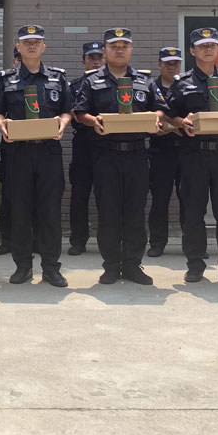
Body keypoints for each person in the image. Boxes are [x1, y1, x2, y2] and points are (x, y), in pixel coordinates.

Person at [73, 27, 168, 286]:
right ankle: (112, 266)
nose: (119, 50)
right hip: (105, 155)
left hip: (137, 154)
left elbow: (161, 109)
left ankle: (133, 265)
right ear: (105, 51)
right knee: (108, 212)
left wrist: (155, 119)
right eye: (114, 46)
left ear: (131, 50)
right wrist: (93, 121)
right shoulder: (92, 81)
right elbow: (80, 112)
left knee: (135, 211)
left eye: (124, 46)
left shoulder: (145, 80)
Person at [165, 28, 218, 285]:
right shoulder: (182, 81)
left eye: (212, 45)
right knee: (193, 212)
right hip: (195, 154)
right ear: (192, 50)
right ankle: (195, 265)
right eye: (202, 46)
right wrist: (181, 122)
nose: (208, 49)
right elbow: (169, 113)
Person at [0, 24, 72, 287]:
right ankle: (23, 267)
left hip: (48, 152)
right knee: (20, 212)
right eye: (27, 42)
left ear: (44, 47)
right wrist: (1, 125)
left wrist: (62, 123)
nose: (32, 45)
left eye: (37, 42)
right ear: (19, 47)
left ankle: (51, 268)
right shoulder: (7, 79)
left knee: (50, 212)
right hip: (18, 153)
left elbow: (67, 110)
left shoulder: (58, 78)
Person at [146, 46, 185, 257]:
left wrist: (176, 125)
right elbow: (145, 116)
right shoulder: (150, 86)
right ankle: (157, 243)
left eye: (176, 63)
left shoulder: (187, 85)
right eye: (168, 64)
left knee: (189, 199)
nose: (172, 67)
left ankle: (192, 242)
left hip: (186, 150)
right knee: (160, 199)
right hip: (160, 150)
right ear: (159, 65)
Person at [67, 41, 104, 256]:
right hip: (83, 144)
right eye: (91, 58)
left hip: (106, 145)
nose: (96, 62)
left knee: (106, 195)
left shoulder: (114, 84)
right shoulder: (75, 86)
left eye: (99, 58)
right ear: (84, 61)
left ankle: (106, 240)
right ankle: (78, 240)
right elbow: (71, 113)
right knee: (79, 194)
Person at [0, 46, 23, 255]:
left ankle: (36, 240)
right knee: (10, 196)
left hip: (41, 148)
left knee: (38, 198)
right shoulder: (6, 81)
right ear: (14, 61)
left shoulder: (48, 80)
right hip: (12, 147)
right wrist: (2, 124)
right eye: (18, 58)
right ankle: (7, 240)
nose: (22, 61)